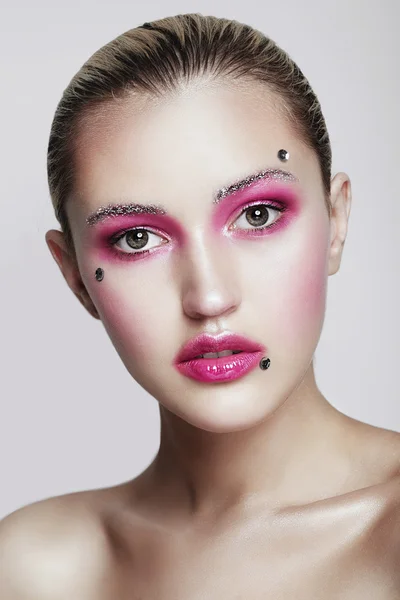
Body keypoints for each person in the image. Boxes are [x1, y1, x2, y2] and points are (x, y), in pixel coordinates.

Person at [1, 13, 399, 598]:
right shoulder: (30, 568)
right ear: (77, 277)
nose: (209, 297)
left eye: (257, 215)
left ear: (334, 223)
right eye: (136, 239)